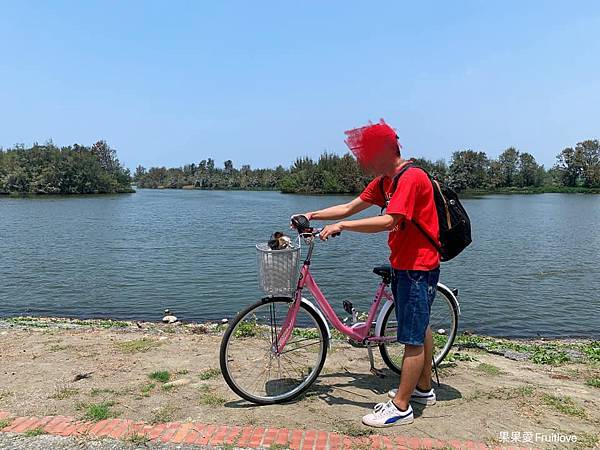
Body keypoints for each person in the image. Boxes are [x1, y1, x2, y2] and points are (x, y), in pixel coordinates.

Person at [295, 119, 440, 427]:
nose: (365, 159)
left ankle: (401, 407)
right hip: (403, 262)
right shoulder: (385, 181)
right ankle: (423, 389)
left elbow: (389, 221)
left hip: (419, 266)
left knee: (412, 337)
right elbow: (351, 207)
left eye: (370, 153)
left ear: (388, 149)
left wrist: (342, 227)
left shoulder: (410, 178)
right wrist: (312, 214)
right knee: (419, 325)